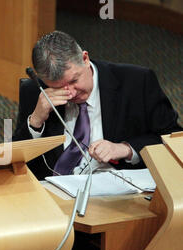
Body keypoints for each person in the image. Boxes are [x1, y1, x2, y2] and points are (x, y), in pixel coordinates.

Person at [13, 30, 182, 180]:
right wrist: (35, 121)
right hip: (56, 192)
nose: (71, 93)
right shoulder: (36, 92)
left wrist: (126, 149)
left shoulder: (137, 81)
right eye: (58, 87)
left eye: (74, 80)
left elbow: (173, 138)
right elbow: (13, 162)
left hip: (120, 191)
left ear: (85, 59)